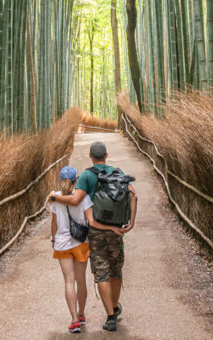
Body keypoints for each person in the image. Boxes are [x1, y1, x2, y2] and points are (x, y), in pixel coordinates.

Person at [51, 141, 137, 332]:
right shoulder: (118, 173)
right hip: (116, 231)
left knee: (101, 273)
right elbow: (134, 196)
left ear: (90, 156)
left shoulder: (87, 175)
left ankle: (110, 316)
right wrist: (131, 223)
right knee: (116, 270)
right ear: (106, 155)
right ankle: (114, 306)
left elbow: (75, 200)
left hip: (96, 233)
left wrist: (54, 197)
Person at [48, 165, 92, 333]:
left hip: (62, 243)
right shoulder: (83, 197)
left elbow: (54, 222)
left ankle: (73, 320)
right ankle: (81, 314)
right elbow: (89, 219)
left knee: (68, 281)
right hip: (80, 243)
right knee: (81, 281)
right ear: (76, 179)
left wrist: (53, 239)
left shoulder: (55, 198)